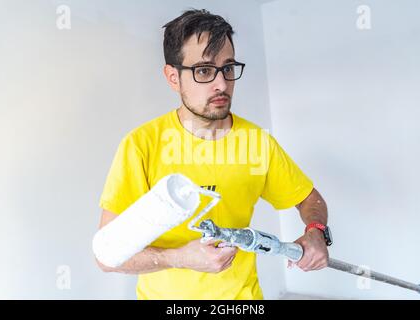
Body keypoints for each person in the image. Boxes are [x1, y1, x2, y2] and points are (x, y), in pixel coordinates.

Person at [95, 9, 329, 300]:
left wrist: (317, 231)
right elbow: (107, 257)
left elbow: (309, 198)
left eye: (228, 68)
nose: (222, 84)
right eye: (204, 70)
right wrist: (179, 258)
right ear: (172, 77)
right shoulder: (141, 146)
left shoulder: (256, 143)